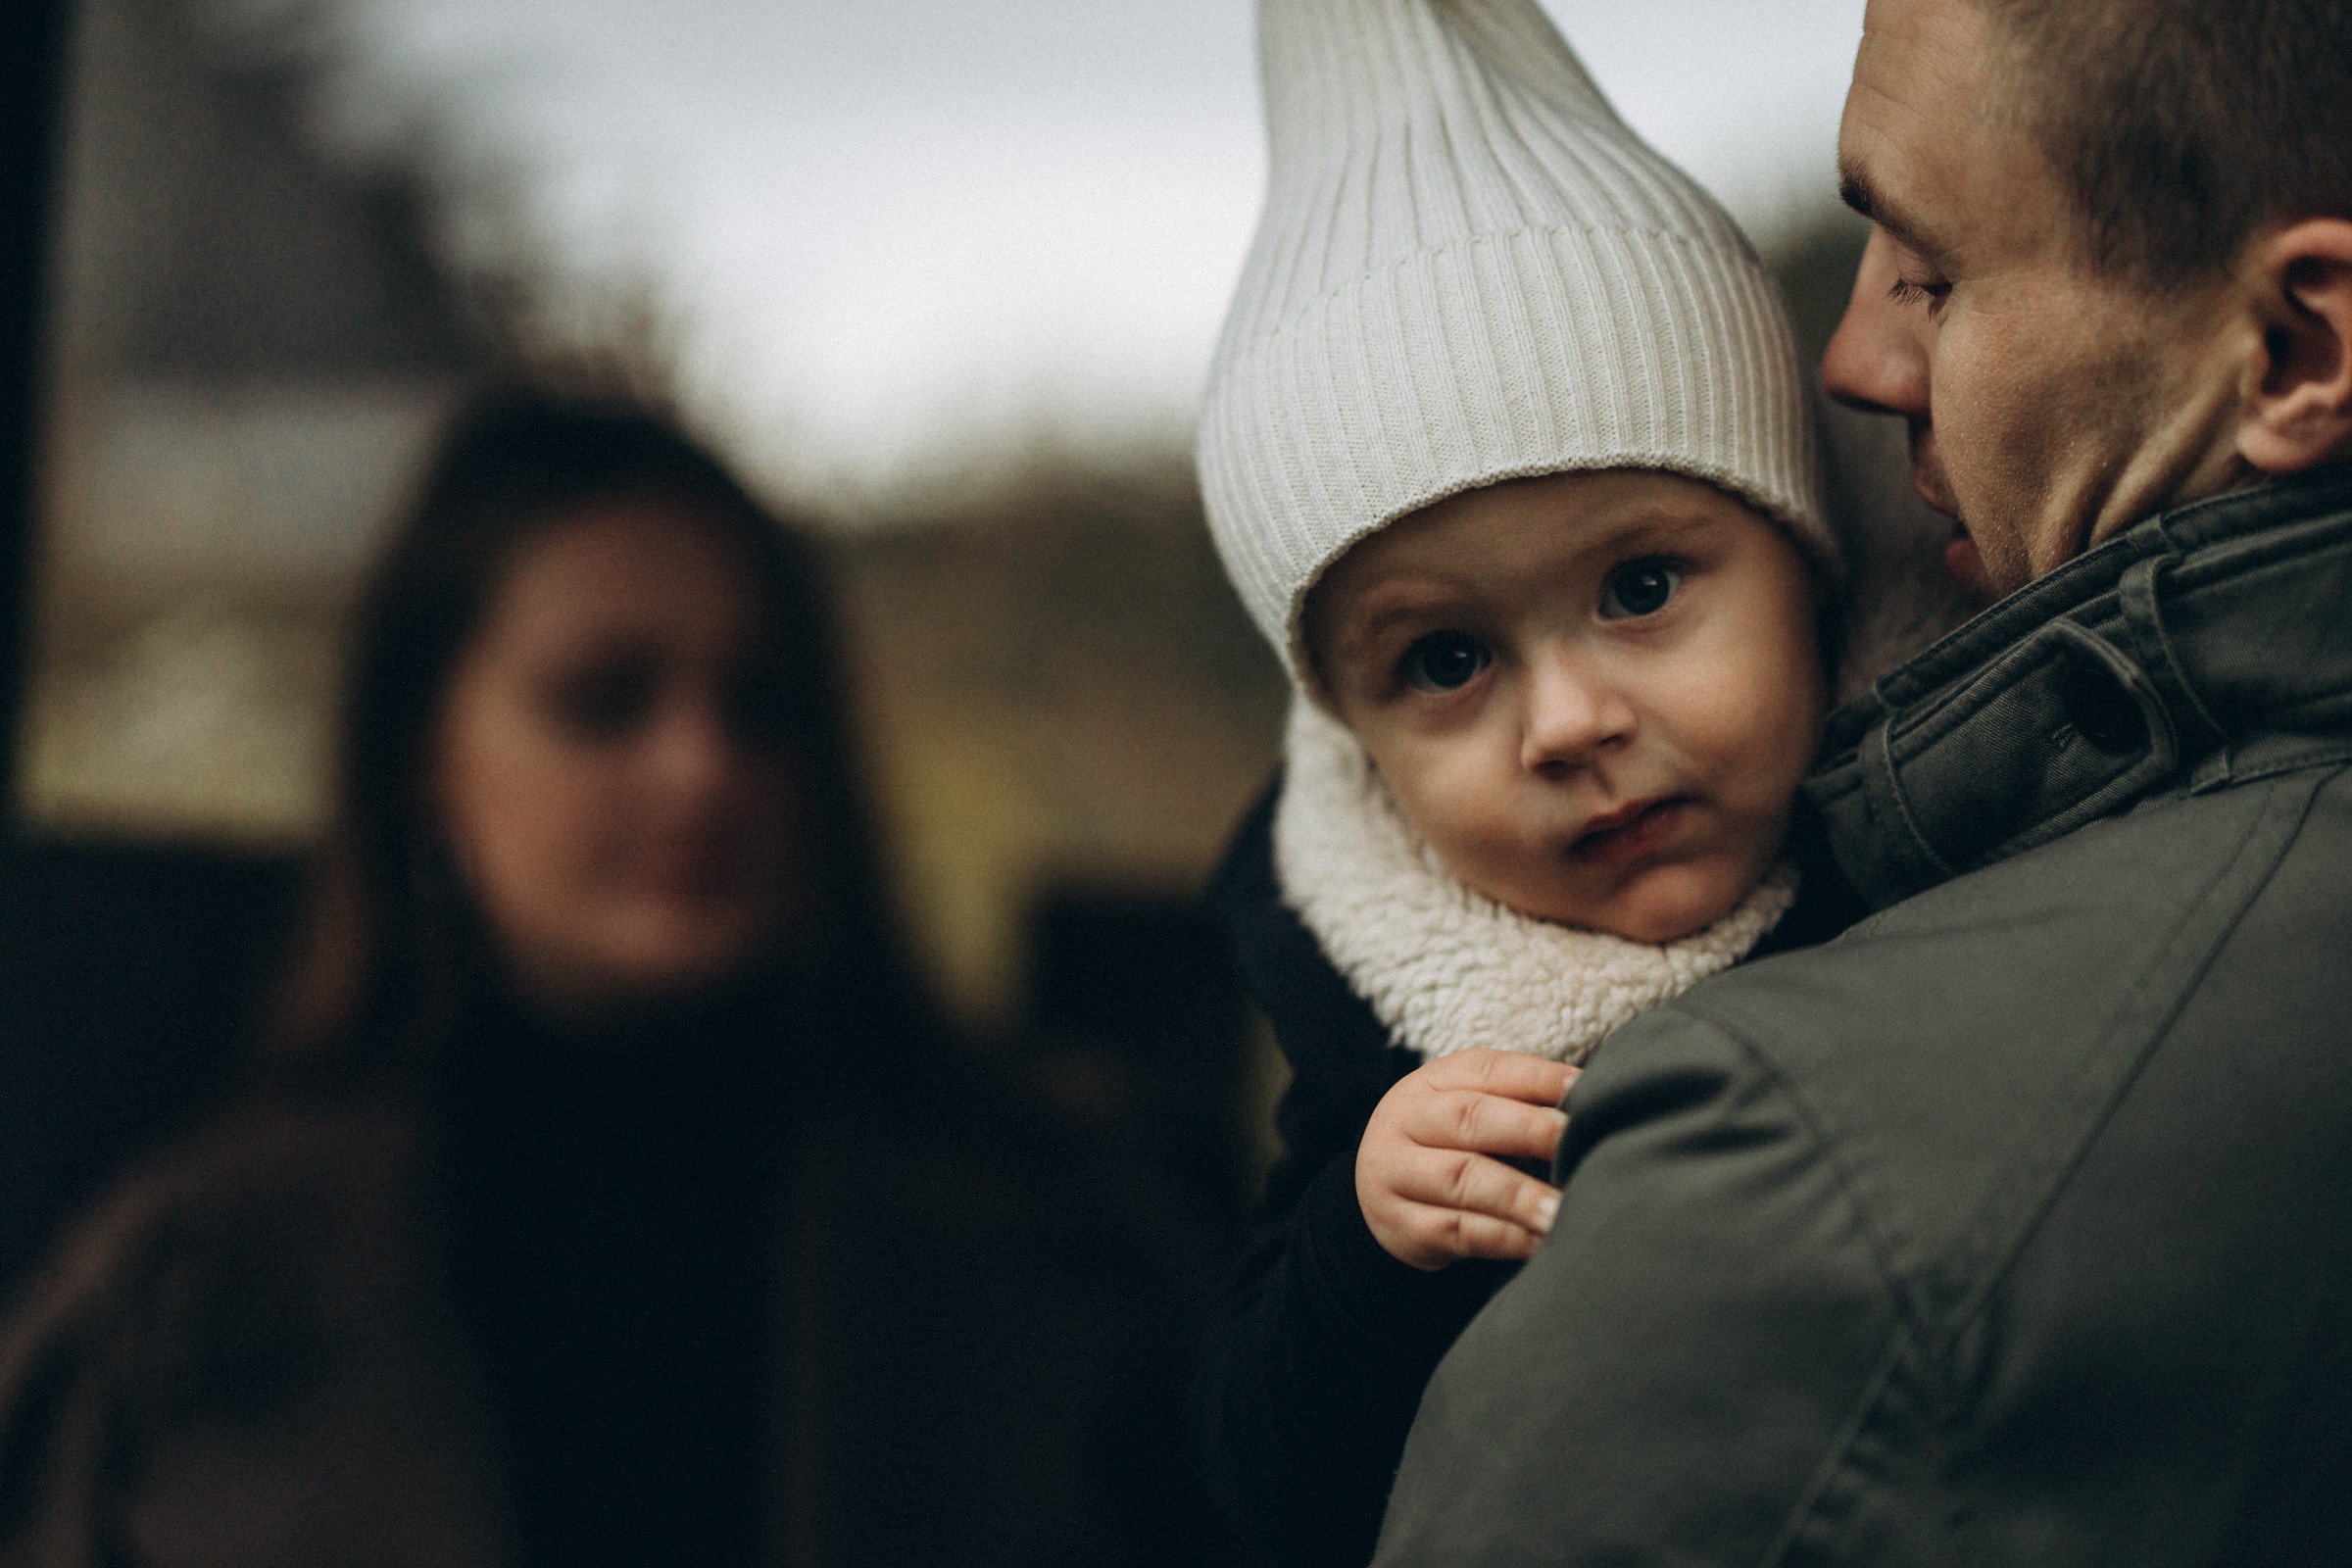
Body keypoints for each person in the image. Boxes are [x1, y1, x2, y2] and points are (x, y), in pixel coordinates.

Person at [1370, 0, 2352, 1560]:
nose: (1850, 357)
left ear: (2296, 346)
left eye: (1933, 272)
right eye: (1439, 664)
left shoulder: (1777, 1180)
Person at [0, 392, 1226, 1568]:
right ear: (426, 750)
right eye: (602, 700)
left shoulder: (1075, 1226)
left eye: (760, 706)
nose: (699, 768)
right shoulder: (196, 1280)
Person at [1186, 3, 1874, 1561]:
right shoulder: (1390, 1044)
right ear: (1356, 740)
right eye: (1444, 663)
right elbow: (1254, 1479)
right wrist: (1368, 1249)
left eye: (1641, 587)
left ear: (1805, 557)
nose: (1566, 722)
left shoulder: (1961, 862)